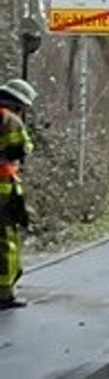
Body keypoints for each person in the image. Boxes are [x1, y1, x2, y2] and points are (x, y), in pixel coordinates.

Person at [0, 78, 36, 309]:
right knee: (6, 241)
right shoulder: (9, 120)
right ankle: (4, 293)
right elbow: (20, 148)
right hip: (3, 189)